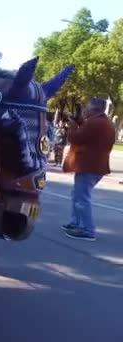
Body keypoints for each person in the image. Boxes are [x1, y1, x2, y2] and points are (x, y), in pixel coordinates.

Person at [61, 97, 116, 241]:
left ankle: (87, 229)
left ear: (93, 110)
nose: (84, 110)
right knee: (78, 195)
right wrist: (79, 123)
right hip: (95, 165)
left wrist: (73, 126)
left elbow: (75, 138)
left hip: (89, 165)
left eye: (87, 108)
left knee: (82, 197)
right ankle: (76, 223)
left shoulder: (95, 123)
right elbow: (90, 136)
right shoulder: (103, 122)